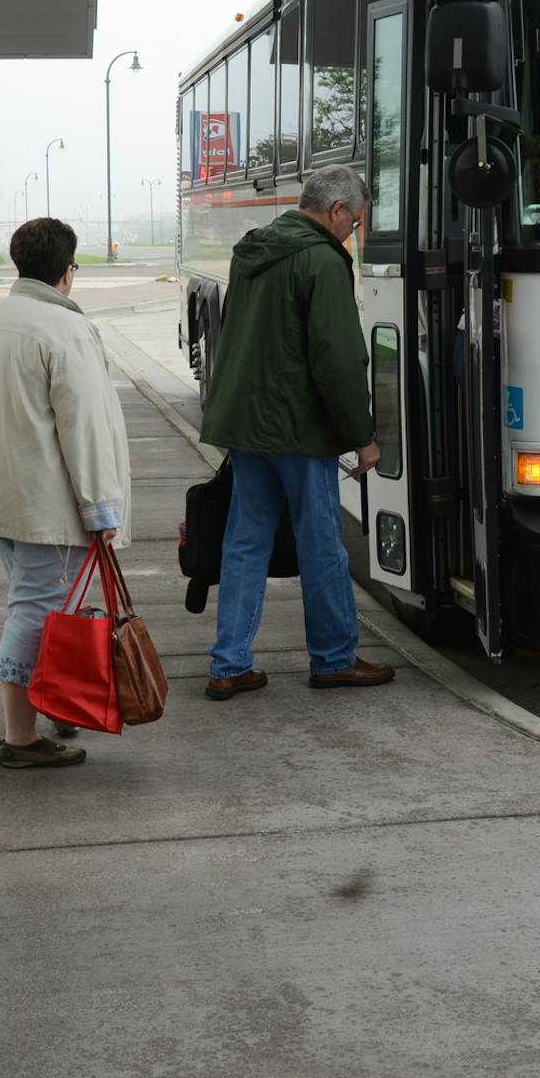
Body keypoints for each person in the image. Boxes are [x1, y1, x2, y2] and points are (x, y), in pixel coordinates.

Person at [197, 165, 394, 699]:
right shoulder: (321, 261)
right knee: (322, 544)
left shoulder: (254, 251)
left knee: (244, 542)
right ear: (335, 212)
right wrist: (363, 435)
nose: (352, 232)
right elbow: (337, 359)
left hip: (246, 425)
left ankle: (229, 663)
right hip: (298, 428)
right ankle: (332, 658)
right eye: (353, 223)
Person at [0, 217, 131, 768]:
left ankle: (51, 702)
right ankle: (19, 737)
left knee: (40, 606)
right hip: (48, 503)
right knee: (34, 610)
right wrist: (100, 506)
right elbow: (86, 427)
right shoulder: (66, 330)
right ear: (67, 273)